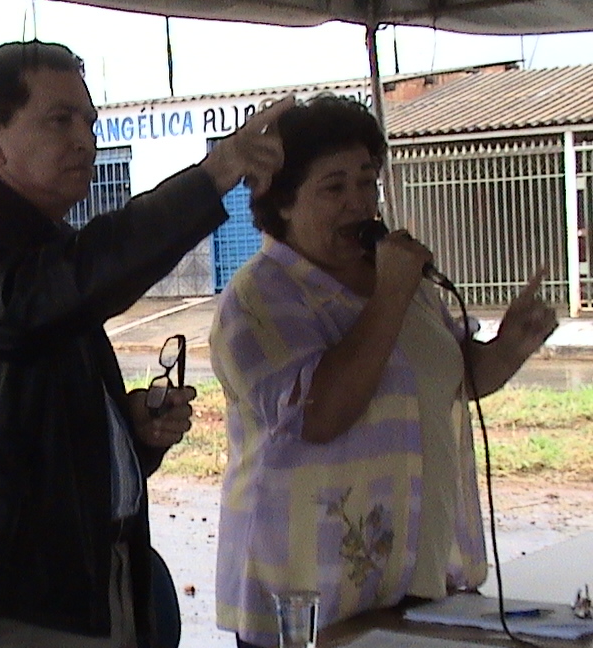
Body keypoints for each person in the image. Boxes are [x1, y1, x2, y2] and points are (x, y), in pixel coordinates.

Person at [0, 40, 290, 648]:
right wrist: (212, 177)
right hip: (11, 599)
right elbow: (43, 303)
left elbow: (40, 412)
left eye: (89, 121)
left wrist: (129, 432)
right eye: (60, 120)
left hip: (94, 584)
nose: (84, 139)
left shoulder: (50, 251)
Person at [208, 95, 558, 648]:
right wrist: (390, 293)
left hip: (419, 574)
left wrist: (512, 345)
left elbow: (455, 378)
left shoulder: (401, 281)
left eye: (367, 182)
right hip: (307, 597)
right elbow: (320, 414)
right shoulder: (259, 297)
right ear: (283, 202)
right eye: (334, 187)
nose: (360, 203)